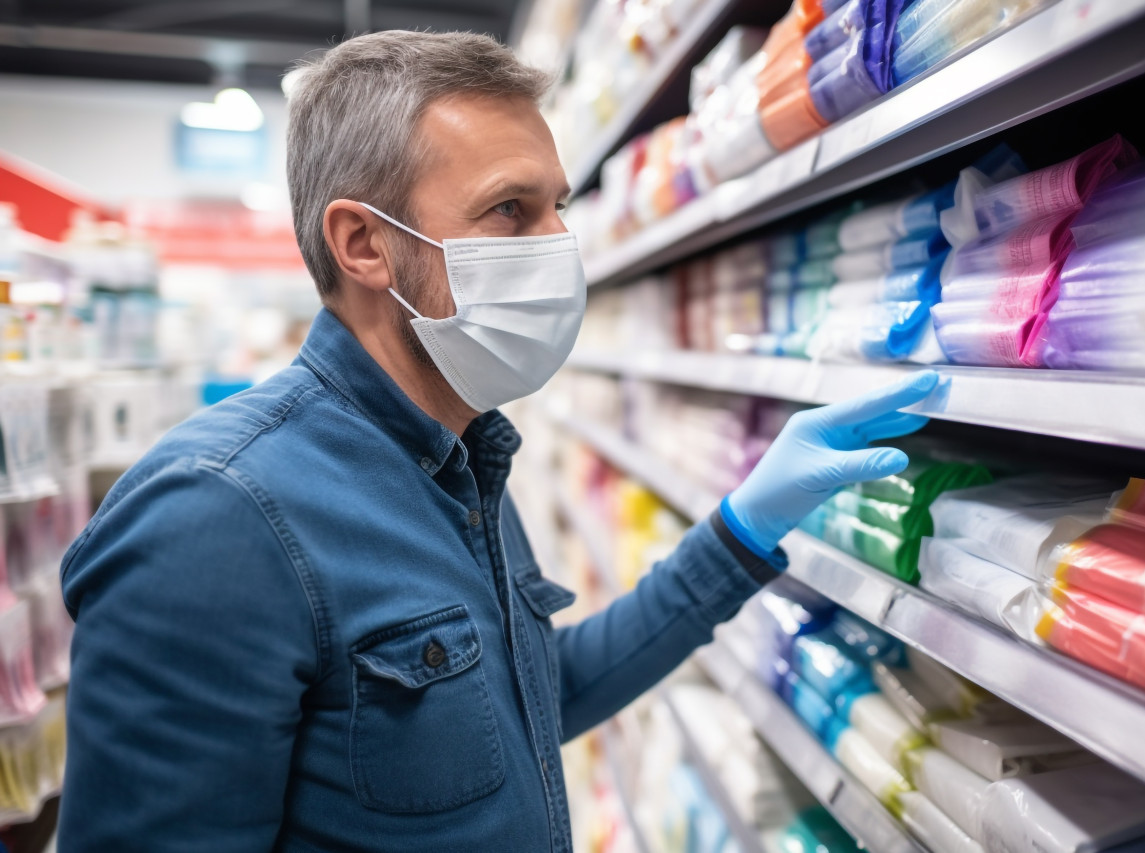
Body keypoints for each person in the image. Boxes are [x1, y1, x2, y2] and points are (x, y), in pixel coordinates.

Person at [58, 30, 938, 852]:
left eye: (558, 205)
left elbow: (527, 699)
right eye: (510, 211)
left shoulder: (463, 452)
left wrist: (739, 532)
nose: (561, 245)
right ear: (363, 243)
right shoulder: (217, 516)